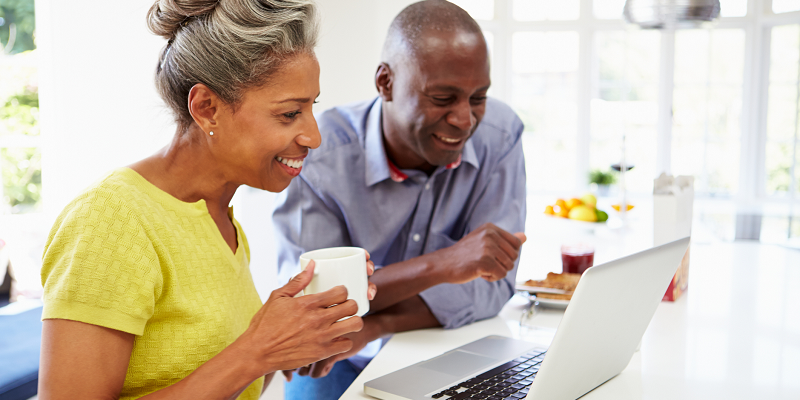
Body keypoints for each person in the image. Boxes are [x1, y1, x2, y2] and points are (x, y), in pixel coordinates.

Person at [37, 1, 376, 399]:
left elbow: (229, 382)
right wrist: (255, 351)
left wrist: (287, 343)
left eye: (310, 107)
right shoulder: (111, 221)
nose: (313, 137)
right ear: (206, 108)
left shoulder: (219, 219)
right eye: (289, 114)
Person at [272, 1, 527, 399]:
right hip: (338, 358)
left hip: (447, 353)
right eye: (443, 98)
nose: (465, 119)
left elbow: (491, 287)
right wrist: (444, 265)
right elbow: (314, 309)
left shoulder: (501, 134)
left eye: (478, 97)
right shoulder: (320, 156)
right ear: (385, 82)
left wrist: (375, 325)